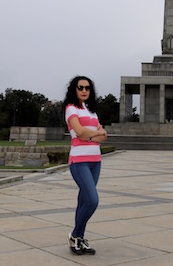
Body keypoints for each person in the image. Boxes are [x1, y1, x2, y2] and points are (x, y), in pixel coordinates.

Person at [63, 76, 108, 255]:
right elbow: (80, 132)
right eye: (80, 87)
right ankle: (74, 235)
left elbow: (103, 136)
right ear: (74, 89)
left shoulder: (92, 111)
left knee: (83, 201)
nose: (84, 91)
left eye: (87, 88)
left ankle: (79, 239)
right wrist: (94, 134)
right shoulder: (71, 108)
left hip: (95, 161)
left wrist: (91, 135)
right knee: (92, 200)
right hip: (79, 161)